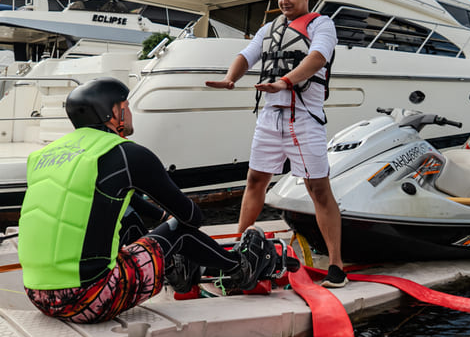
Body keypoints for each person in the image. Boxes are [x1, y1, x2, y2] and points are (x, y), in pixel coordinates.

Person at [18, 77, 277, 324]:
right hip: (91, 300)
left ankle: (176, 269)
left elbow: (108, 202)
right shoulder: (126, 153)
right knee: (181, 232)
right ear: (115, 112)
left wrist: (159, 217)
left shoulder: (43, 155)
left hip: (39, 296)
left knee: (128, 217)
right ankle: (241, 267)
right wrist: (169, 224)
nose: (130, 113)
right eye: (127, 106)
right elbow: (192, 217)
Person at [206, 0, 347, 287]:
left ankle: (337, 265)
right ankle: (239, 249)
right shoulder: (269, 28)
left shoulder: (321, 25)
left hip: (305, 118)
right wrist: (231, 78)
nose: (284, 1)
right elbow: (246, 55)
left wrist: (284, 81)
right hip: (270, 116)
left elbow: (317, 58)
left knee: (318, 189)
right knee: (255, 179)